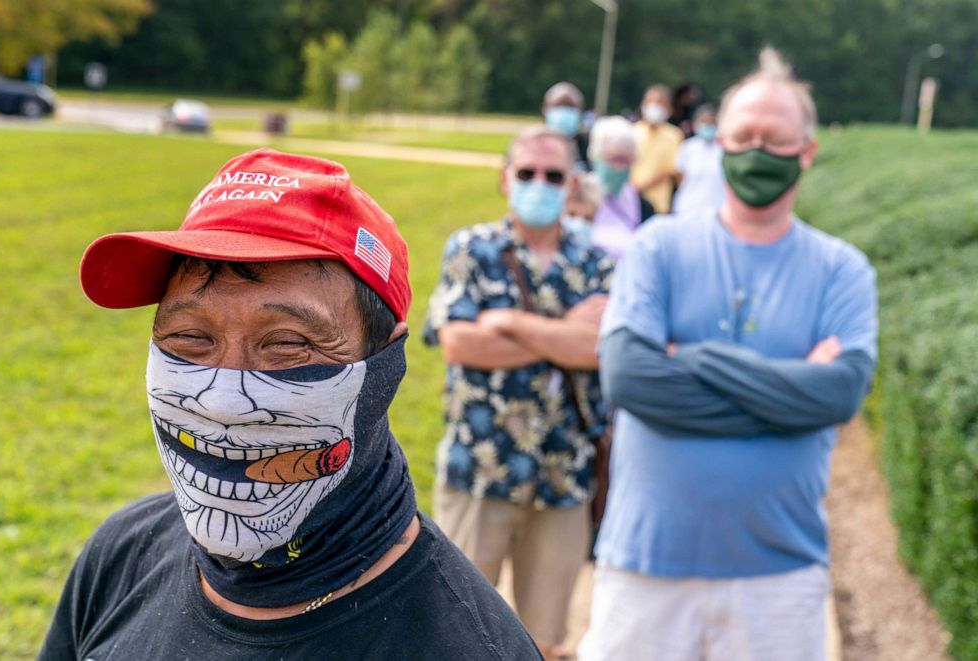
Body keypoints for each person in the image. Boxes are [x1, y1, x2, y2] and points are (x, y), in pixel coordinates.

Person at [40, 148, 543, 660]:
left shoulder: (469, 648)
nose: (223, 402)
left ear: (386, 364)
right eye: (189, 337)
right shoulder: (119, 556)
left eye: (287, 345)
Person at [579, 48, 878, 661]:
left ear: (808, 151)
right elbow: (630, 377)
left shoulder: (841, 269)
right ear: (720, 145)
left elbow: (840, 393)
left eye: (775, 139)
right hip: (644, 568)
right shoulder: (658, 245)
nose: (756, 152)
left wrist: (687, 359)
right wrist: (788, 397)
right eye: (742, 137)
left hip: (780, 577)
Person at [424, 125, 613, 659]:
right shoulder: (471, 248)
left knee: (545, 641)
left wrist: (507, 321)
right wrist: (561, 334)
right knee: (453, 633)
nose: (539, 182)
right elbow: (460, 343)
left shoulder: (596, 261)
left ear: (572, 183)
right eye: (527, 172)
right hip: (480, 469)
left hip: (563, 474)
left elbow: (599, 347)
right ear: (505, 179)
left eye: (553, 174)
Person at [587, 115, 655, 260]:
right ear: (596, 158)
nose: (619, 167)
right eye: (614, 159)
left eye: (625, 160)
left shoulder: (643, 206)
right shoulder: (577, 196)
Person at [630, 84, 683, 214]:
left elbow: (673, 171)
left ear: (669, 108)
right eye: (650, 101)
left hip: (658, 205)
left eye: (660, 102)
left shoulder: (674, 135)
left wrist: (643, 186)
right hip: (631, 201)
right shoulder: (632, 131)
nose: (654, 106)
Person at [672, 104, 726, 216]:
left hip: (718, 209)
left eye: (712, 123)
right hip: (688, 208)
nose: (708, 126)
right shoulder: (688, 147)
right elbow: (680, 176)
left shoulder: (724, 149)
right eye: (704, 122)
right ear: (696, 124)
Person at [542, 81, 590, 168]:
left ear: (581, 111)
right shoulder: (531, 145)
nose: (564, 110)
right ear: (545, 110)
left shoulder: (591, 147)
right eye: (559, 105)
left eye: (570, 106)